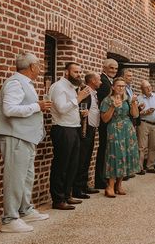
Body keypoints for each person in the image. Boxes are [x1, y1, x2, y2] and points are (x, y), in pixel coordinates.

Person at [0, 53, 52, 233]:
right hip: (15, 137)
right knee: (15, 178)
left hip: (26, 137)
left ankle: (25, 210)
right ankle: (10, 219)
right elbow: (9, 109)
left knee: (26, 177)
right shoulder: (15, 83)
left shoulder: (25, 83)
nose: (40, 69)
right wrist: (38, 106)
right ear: (32, 66)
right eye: (38, 65)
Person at [49, 62, 91, 210]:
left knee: (72, 165)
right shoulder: (58, 87)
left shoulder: (72, 88)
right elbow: (61, 109)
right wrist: (78, 99)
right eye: (75, 72)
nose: (79, 75)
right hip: (62, 129)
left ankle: (67, 195)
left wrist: (81, 112)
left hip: (73, 128)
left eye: (80, 72)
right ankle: (58, 199)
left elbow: (70, 108)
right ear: (66, 72)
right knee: (61, 165)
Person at [100, 77, 140, 197]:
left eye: (123, 86)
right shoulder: (107, 100)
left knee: (125, 155)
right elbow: (104, 119)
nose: (121, 88)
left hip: (128, 129)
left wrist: (133, 103)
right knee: (115, 155)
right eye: (118, 86)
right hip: (114, 129)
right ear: (113, 87)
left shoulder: (127, 99)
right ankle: (110, 186)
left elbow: (135, 114)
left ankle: (119, 185)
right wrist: (113, 106)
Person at [73, 72, 102, 199]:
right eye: (99, 79)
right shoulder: (85, 92)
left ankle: (84, 185)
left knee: (88, 157)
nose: (100, 82)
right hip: (85, 129)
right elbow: (81, 109)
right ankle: (77, 188)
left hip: (92, 128)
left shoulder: (94, 93)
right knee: (82, 158)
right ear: (93, 81)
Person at [95, 58, 118, 191]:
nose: (114, 70)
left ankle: (103, 178)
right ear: (104, 68)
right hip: (106, 121)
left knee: (105, 149)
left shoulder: (108, 81)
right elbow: (105, 103)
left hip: (109, 121)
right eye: (111, 68)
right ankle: (100, 179)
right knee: (103, 149)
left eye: (115, 68)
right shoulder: (104, 82)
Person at [136, 80, 155, 174]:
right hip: (143, 123)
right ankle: (139, 168)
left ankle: (150, 166)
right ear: (142, 89)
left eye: (149, 86)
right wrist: (145, 112)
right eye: (146, 87)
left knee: (153, 147)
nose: (149, 89)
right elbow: (135, 114)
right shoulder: (138, 99)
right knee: (142, 147)